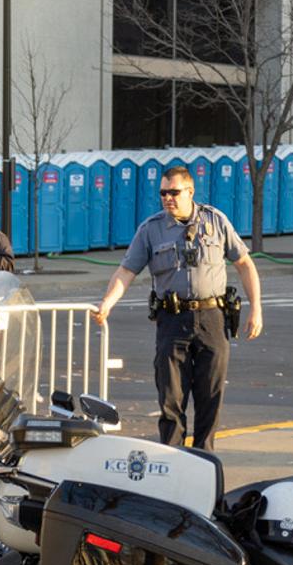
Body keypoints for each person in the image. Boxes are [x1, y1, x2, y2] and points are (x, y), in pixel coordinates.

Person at [91, 167, 263, 450]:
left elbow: (244, 264)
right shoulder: (151, 229)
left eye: (174, 192)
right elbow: (126, 271)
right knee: (171, 398)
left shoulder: (215, 221)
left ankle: (205, 459)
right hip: (172, 320)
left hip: (212, 318)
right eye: (163, 193)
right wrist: (107, 303)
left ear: (190, 192)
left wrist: (256, 308)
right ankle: (172, 458)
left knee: (210, 395)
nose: (167, 198)